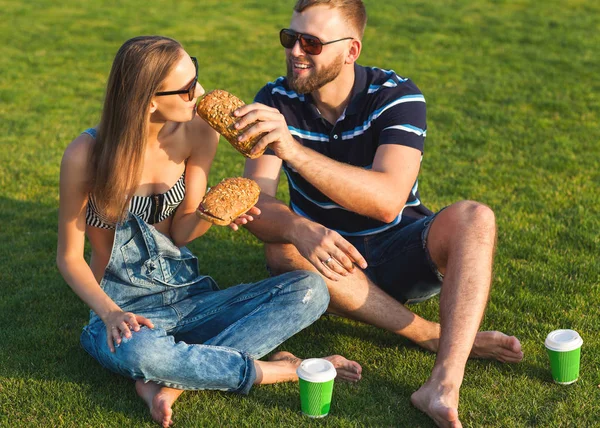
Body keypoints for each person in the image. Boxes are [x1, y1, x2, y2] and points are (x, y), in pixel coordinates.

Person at [236, 1, 524, 426]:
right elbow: (255, 203)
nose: (296, 51)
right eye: (289, 37)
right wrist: (298, 226)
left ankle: (444, 382)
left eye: (311, 43)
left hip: (399, 248)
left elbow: (388, 200)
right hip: (325, 260)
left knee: (474, 217)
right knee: (282, 252)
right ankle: (427, 334)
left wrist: (293, 151)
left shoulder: (395, 95)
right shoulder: (274, 100)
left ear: (351, 50)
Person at [56, 35, 361, 428]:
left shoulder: (198, 131)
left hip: (192, 296)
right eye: (185, 89)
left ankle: (176, 381)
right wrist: (111, 314)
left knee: (309, 290)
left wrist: (210, 215)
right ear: (149, 100)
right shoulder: (85, 156)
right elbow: (68, 257)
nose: (199, 93)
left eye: (195, 76)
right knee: (143, 354)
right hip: (124, 310)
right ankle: (279, 369)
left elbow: (180, 234)